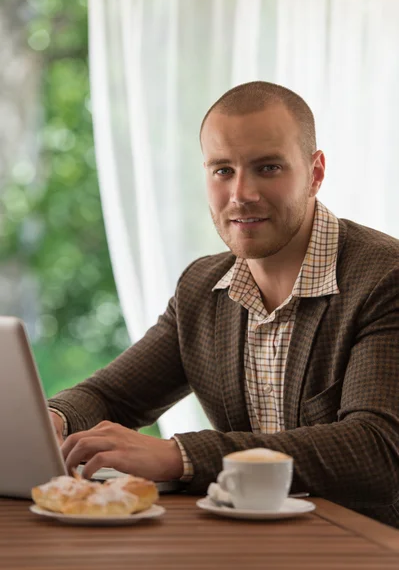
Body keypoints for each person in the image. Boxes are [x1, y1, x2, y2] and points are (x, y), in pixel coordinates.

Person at [48, 81, 399, 527]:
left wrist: (180, 456)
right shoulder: (202, 288)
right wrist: (53, 418)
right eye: (222, 170)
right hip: (249, 544)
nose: (241, 194)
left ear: (315, 173)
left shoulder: (386, 277)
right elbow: (111, 396)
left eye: (267, 168)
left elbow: (378, 451)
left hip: (370, 549)